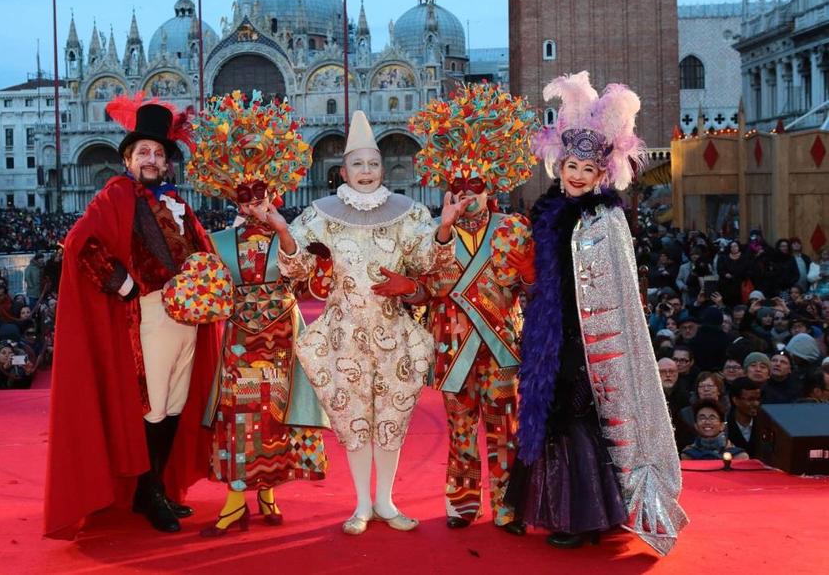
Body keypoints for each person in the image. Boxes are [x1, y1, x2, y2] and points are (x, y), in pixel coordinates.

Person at [506, 72, 686, 555]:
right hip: (551, 332)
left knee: (580, 418)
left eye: (588, 168)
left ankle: (587, 516)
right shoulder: (545, 213)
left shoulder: (606, 218)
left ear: (602, 173)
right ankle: (558, 510)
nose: (578, 175)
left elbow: (620, 289)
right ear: (558, 166)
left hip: (591, 340)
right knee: (551, 416)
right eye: (571, 165)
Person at [262, 110, 462, 535]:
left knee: (392, 418)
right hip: (342, 335)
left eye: (373, 164)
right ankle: (360, 505)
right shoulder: (322, 213)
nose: (366, 172)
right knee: (354, 422)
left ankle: (386, 501)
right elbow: (295, 268)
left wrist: (443, 228)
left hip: (394, 333)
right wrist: (282, 231)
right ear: (344, 170)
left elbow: (428, 261)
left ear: (382, 168)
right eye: (358, 164)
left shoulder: (408, 211)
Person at [44, 97, 221, 539]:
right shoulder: (117, 194)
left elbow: (201, 250)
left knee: (176, 404)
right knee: (154, 407)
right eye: (143, 152)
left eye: (159, 153)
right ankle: (148, 492)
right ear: (127, 159)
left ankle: (156, 485)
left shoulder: (177, 202)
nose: (152, 159)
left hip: (188, 320)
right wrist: (125, 286)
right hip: (151, 317)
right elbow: (80, 244)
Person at [187, 91, 329, 536]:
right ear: (233, 197)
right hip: (241, 341)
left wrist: (281, 227)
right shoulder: (219, 242)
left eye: (260, 194)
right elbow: (209, 287)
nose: (252, 203)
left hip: (283, 336)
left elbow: (303, 275)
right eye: (244, 195)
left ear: (273, 192)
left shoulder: (290, 234)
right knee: (239, 412)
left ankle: (268, 489)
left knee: (276, 411)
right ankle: (235, 497)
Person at [406, 82, 538, 533]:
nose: (467, 196)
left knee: (505, 430)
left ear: (492, 185)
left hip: (500, 350)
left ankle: (508, 506)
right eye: (458, 187)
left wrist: (529, 274)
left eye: (475, 186)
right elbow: (432, 287)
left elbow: (529, 287)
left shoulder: (515, 229)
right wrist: (443, 233)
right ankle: (462, 504)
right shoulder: (434, 234)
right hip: (452, 348)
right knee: (460, 430)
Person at [680, 400, 749, 460]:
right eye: (702, 418)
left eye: (712, 418)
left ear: (722, 426)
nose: (707, 422)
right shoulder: (687, 455)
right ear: (696, 426)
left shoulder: (739, 456)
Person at [725, 377, 762, 456]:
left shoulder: (765, 423)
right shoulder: (724, 426)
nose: (756, 404)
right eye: (750, 400)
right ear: (735, 400)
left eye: (758, 399)